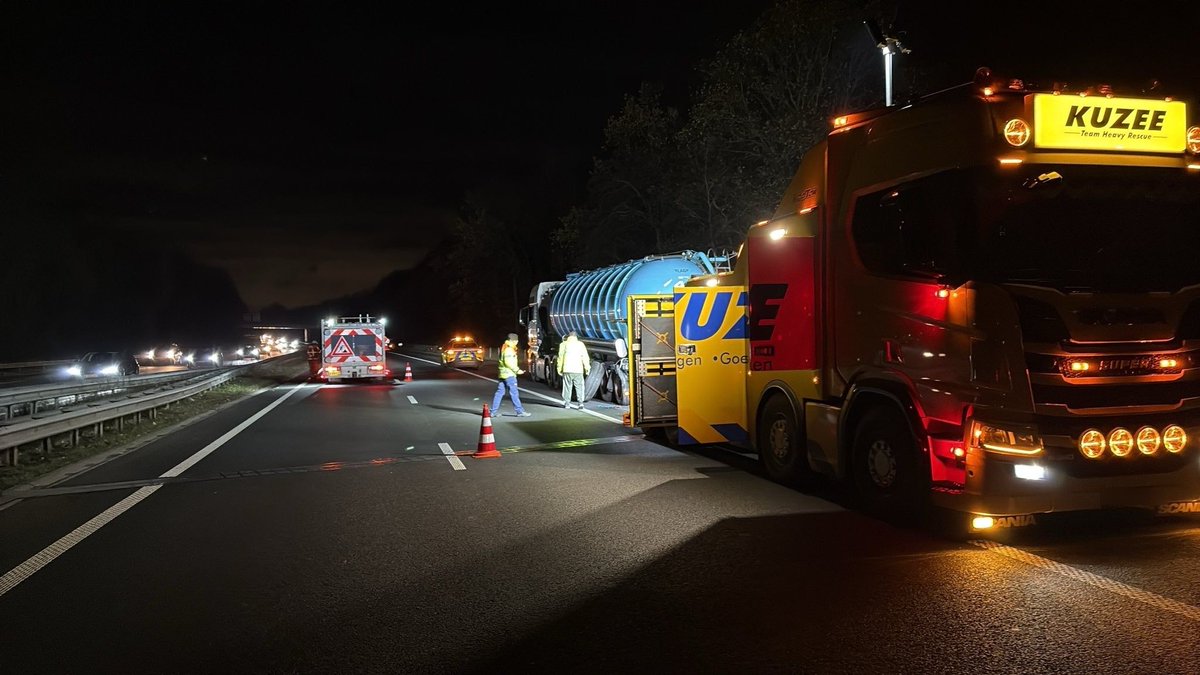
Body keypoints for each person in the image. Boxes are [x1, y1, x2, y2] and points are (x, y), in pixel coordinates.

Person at [491, 333, 530, 417]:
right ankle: (520, 411)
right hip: (509, 375)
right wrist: (517, 370)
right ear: (514, 341)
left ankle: (492, 412)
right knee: (514, 393)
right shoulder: (509, 350)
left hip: (502, 374)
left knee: (499, 393)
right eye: (516, 341)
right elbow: (509, 362)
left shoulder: (504, 347)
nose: (517, 342)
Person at [557, 330, 591, 409]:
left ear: (568, 336)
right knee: (579, 386)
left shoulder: (563, 344)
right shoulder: (581, 345)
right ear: (576, 337)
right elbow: (585, 357)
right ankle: (580, 403)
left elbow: (560, 358)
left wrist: (559, 368)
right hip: (578, 370)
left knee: (567, 386)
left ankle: (567, 403)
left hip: (567, 369)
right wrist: (587, 368)